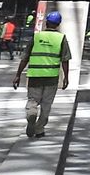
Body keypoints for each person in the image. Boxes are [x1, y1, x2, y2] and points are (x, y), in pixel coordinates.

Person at [13, 10, 71, 139]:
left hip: (34, 75)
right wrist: (66, 77)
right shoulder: (61, 38)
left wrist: (18, 74)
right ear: (58, 24)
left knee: (32, 100)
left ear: (46, 22)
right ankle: (39, 129)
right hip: (51, 77)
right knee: (46, 104)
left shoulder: (36, 37)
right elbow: (65, 60)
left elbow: (25, 57)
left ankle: (31, 113)